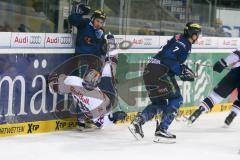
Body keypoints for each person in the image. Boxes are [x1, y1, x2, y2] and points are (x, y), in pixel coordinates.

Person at [128, 22, 201, 143]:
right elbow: (168, 58)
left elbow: (169, 57)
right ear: (192, 33)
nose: (198, 36)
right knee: (177, 99)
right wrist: (181, 70)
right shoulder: (183, 43)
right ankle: (162, 130)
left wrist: (182, 70)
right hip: (160, 73)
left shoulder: (178, 38)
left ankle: (138, 122)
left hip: (149, 71)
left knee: (160, 104)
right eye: (197, 34)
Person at [48, 35, 126, 130]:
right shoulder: (77, 84)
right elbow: (102, 124)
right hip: (108, 98)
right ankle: (82, 118)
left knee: (109, 66)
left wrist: (53, 82)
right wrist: (114, 118)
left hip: (100, 102)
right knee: (110, 66)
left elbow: (57, 86)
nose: (96, 78)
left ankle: (82, 118)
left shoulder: (75, 83)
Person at [188, 49, 240, 126]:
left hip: (235, 73)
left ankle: (198, 111)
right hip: (236, 72)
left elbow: (237, 54)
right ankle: (232, 115)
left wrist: (223, 63)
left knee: (215, 97)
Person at [68, 4, 107, 76]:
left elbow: (99, 48)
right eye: (97, 21)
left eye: (101, 22)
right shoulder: (85, 23)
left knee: (90, 83)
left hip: (94, 61)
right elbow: (71, 20)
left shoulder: (101, 32)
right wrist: (81, 13)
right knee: (81, 80)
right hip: (82, 58)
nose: (99, 24)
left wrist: (103, 50)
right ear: (93, 19)